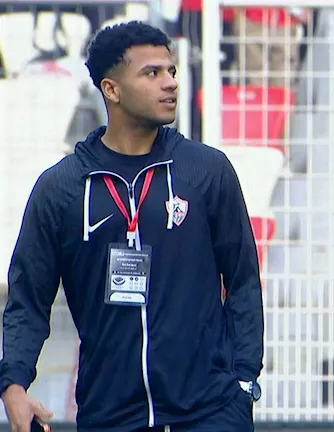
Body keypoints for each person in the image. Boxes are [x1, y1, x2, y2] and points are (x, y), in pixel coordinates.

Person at [0, 21, 264, 432]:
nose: (170, 83)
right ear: (112, 89)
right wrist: (13, 383)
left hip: (210, 413)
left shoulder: (207, 171)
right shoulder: (62, 189)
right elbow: (28, 300)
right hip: (111, 417)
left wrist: (244, 382)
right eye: (151, 73)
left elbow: (243, 280)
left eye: (171, 71)